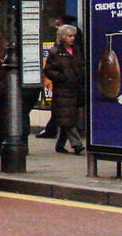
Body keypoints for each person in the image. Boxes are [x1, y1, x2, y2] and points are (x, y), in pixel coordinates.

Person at [44, 24, 86, 154]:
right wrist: (61, 77)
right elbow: (48, 70)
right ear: (62, 37)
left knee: (68, 117)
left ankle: (60, 144)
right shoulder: (56, 52)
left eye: (73, 36)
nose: (72, 38)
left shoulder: (77, 50)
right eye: (69, 36)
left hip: (76, 88)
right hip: (63, 90)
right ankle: (77, 144)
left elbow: (82, 65)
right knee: (68, 119)